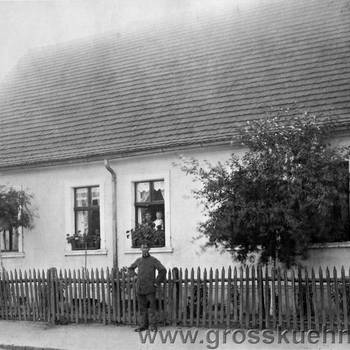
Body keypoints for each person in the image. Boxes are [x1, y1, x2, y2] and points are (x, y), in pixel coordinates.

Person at [128, 242, 166, 332]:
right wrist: (134, 275)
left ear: (149, 249)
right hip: (140, 288)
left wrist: (157, 282)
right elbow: (130, 268)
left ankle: (152, 326)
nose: (144, 249)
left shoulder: (153, 260)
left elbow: (162, 270)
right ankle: (143, 326)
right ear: (140, 249)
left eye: (146, 247)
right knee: (142, 308)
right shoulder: (138, 261)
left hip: (150, 288)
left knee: (152, 308)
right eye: (143, 248)